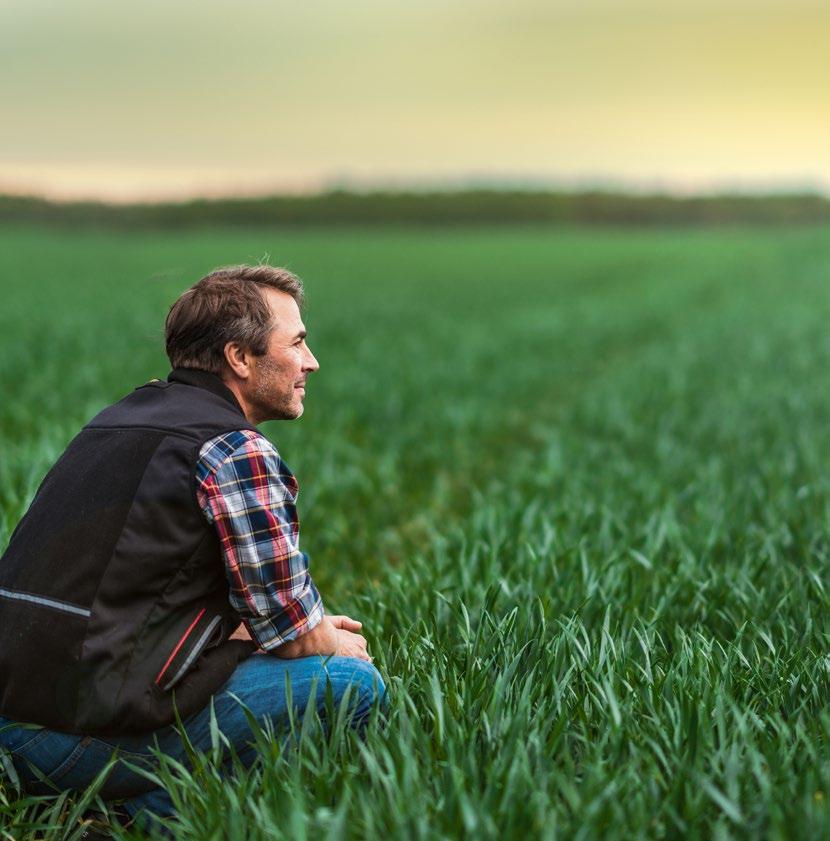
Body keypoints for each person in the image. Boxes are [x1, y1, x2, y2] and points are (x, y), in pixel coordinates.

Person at [0, 265, 387, 835]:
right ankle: (162, 813)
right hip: (81, 743)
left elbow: (131, 595)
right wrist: (333, 639)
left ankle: (122, 810)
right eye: (298, 342)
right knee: (352, 685)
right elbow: (294, 632)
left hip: (13, 727)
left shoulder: (114, 423)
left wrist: (270, 628)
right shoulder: (234, 450)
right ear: (240, 357)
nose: (311, 363)